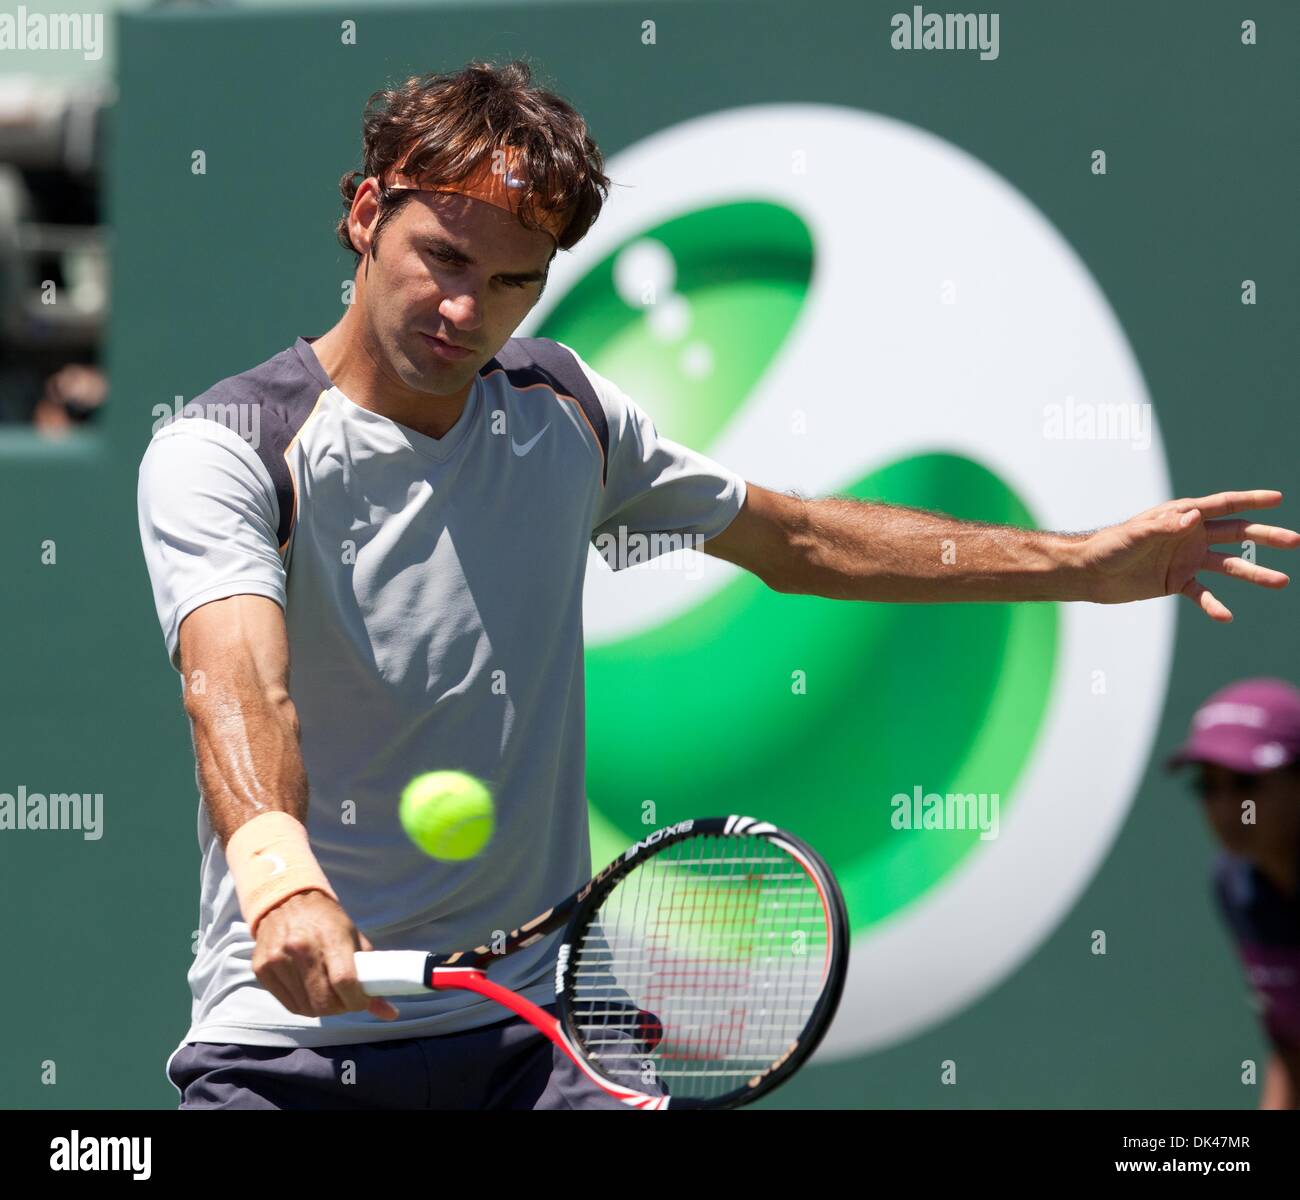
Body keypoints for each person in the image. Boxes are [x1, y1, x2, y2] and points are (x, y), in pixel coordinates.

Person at [137, 59, 1299, 1110]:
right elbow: (236, 683)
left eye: (509, 284)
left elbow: (798, 540)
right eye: (442, 257)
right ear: (363, 216)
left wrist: (1082, 566)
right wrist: (280, 876)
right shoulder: (228, 448)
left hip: (537, 1034)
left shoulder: (565, 413)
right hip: (290, 1045)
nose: (463, 310)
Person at [1168, 679, 1300, 1110]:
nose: (1225, 809)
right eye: (1207, 786)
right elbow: (1289, 1043)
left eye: (1245, 783)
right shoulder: (1235, 885)